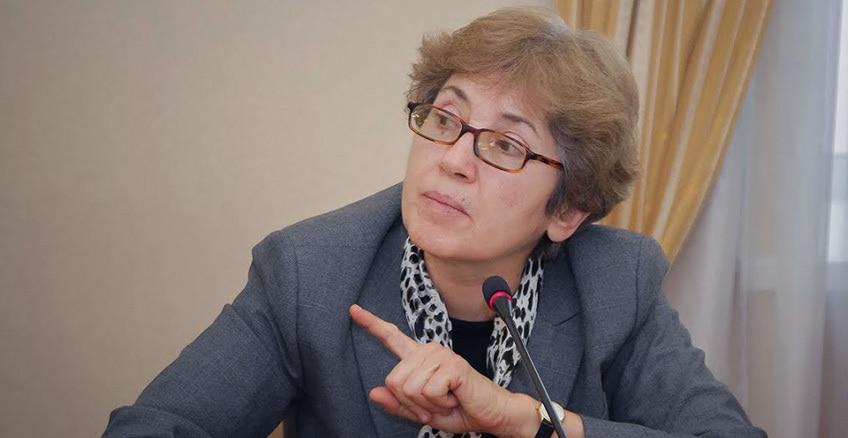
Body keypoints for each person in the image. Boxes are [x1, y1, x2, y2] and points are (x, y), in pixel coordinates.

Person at [104, 7, 765, 438]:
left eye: (505, 145)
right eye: (445, 119)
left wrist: (524, 420)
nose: (452, 160)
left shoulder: (615, 283)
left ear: (567, 210)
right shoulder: (308, 272)